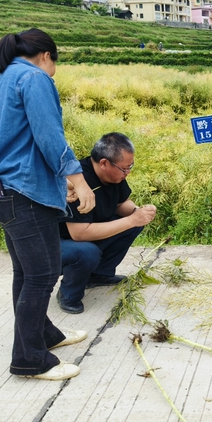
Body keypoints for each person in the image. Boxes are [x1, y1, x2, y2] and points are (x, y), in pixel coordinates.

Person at [0, 28, 96, 381]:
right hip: (22, 192)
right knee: (42, 274)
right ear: (46, 56)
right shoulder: (34, 78)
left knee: (27, 272)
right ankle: (29, 359)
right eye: (55, 61)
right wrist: (77, 179)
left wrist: (58, 184)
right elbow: (48, 135)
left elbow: (19, 144)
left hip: (4, 191)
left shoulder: (4, 80)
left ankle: (43, 335)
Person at [57, 132, 156, 314]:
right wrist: (131, 220)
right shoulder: (76, 181)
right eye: (124, 168)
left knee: (133, 224)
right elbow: (79, 233)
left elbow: (121, 204)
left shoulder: (114, 176)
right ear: (104, 163)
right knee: (87, 252)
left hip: (86, 235)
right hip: (55, 245)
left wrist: (137, 213)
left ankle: (97, 275)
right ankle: (68, 293)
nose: (128, 172)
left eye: (130, 167)